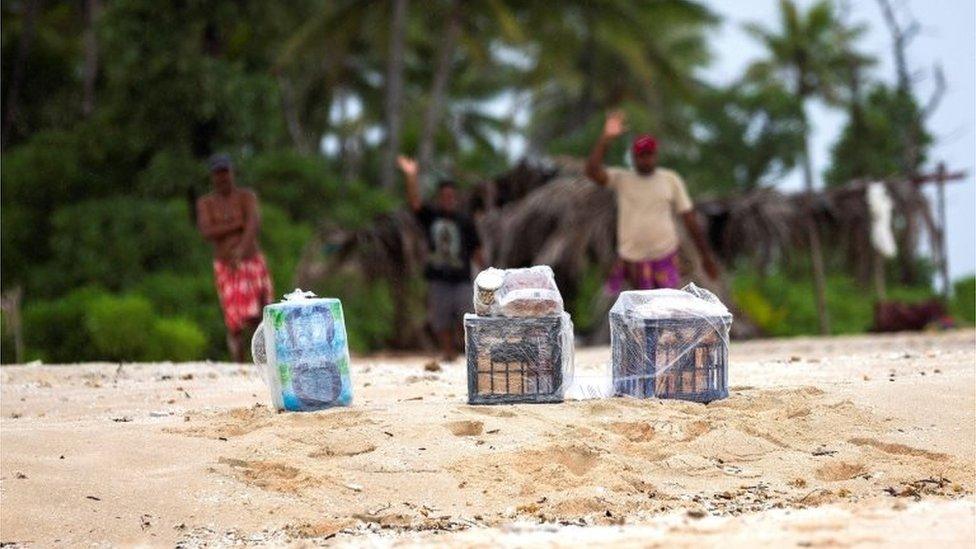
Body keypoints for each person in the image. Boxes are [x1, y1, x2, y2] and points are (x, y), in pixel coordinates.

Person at [585, 110, 720, 292]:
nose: (645, 159)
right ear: (634, 157)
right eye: (641, 155)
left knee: (665, 310)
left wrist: (706, 257)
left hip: (665, 257)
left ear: (655, 155)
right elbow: (592, 172)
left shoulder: (670, 179)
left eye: (649, 154)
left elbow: (689, 218)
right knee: (634, 312)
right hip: (632, 261)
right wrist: (606, 138)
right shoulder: (622, 179)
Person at [397, 155, 484, 361]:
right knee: (440, 318)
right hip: (438, 276)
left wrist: (486, 273)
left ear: (455, 197)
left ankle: (466, 350)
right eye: (444, 195)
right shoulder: (432, 216)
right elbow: (415, 203)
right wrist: (411, 177)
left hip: (461, 276)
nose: (447, 198)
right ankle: (447, 352)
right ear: (439, 197)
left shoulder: (465, 220)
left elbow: (476, 248)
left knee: (465, 314)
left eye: (450, 195)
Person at [196, 154, 274, 362]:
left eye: (225, 172)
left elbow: (253, 224)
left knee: (261, 315)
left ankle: (266, 361)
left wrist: (240, 250)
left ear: (232, 172)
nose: (222, 177)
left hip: (252, 262)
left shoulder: (246, 197)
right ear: (212, 177)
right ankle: (238, 365)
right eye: (218, 173)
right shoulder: (206, 203)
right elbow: (206, 231)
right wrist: (236, 224)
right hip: (226, 267)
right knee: (234, 321)